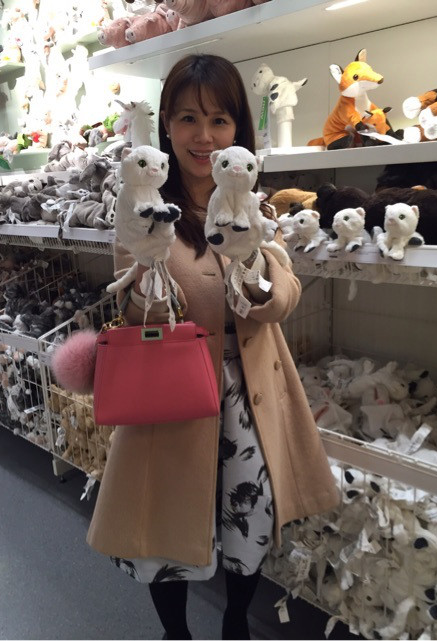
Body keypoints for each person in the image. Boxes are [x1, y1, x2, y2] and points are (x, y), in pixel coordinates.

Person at [86, 54, 339, 640]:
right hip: (172, 390)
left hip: (249, 392)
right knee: (165, 525)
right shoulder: (145, 209)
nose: (203, 136)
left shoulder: (255, 205)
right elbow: (134, 314)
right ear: (166, 126)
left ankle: (234, 623)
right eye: (188, 119)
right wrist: (149, 271)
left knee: (250, 514)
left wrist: (252, 266)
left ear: (238, 129)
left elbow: (283, 298)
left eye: (219, 120)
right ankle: (177, 633)